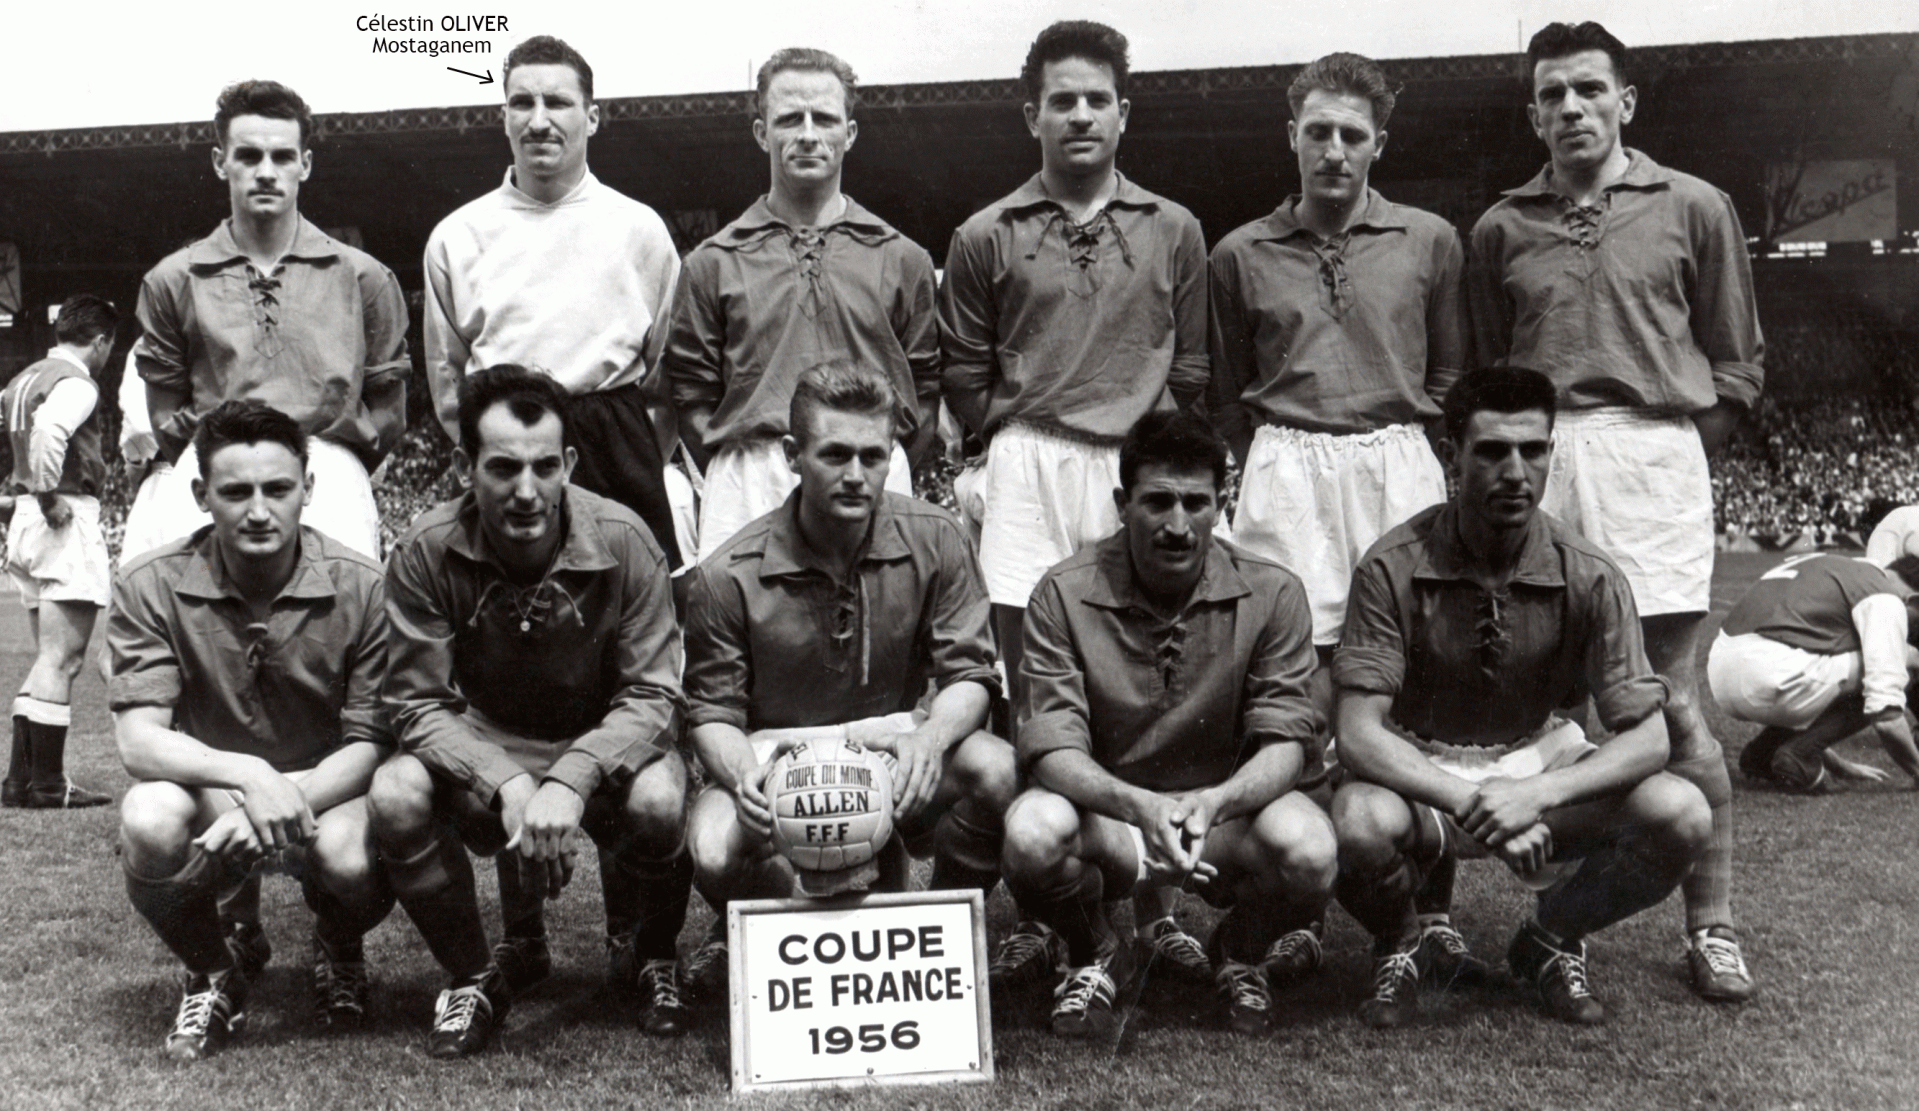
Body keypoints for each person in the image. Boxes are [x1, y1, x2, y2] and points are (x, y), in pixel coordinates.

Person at [1465, 21, 1763, 1004]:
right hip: (1540, 457)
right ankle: (1569, 923)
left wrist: (1665, 447)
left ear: (1623, 101)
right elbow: (1481, 371)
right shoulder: (1499, 226)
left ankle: (1711, 927)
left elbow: (1732, 365)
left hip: (1650, 450)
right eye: (1550, 95)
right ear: (1531, 113)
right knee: (1550, 698)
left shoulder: (1693, 204)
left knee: (1668, 704)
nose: (1569, 110)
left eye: (1588, 90)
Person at [1331, 366, 1711, 1028]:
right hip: (1421, 776)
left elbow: (1649, 737)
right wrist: (1475, 803)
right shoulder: (1390, 564)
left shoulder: (1588, 572)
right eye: (1491, 451)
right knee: (1356, 822)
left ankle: (1550, 935)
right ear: (1450, 454)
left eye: (1532, 450)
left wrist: (1535, 793)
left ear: (1549, 454)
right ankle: (1403, 940)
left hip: (1537, 760)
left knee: (1680, 813)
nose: (1515, 471)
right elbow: (1359, 731)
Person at [1207, 53, 1473, 974]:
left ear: (1377, 144)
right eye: (1315, 131)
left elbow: (1446, 371)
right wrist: (1287, 446)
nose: (1331, 149)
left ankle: (1428, 903)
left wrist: (1394, 429)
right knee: (1300, 685)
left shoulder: (1431, 238)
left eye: (1350, 135)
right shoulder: (1240, 251)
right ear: (1291, 135)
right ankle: (1307, 901)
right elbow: (1230, 383)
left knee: (1411, 677)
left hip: (1395, 458)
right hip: (1286, 463)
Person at [368, 365, 692, 1059]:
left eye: (545, 466)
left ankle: (651, 954)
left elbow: (653, 694)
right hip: (489, 741)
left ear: (569, 462)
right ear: (466, 465)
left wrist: (571, 777)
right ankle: (472, 975)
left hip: (599, 735)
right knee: (394, 791)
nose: (525, 490)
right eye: (503, 467)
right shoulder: (425, 548)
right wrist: (508, 781)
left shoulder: (626, 537)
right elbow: (415, 700)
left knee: (662, 796)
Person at [679, 363, 1016, 995]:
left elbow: (969, 673)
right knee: (715, 850)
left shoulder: (936, 538)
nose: (856, 475)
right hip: (776, 749)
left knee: (1000, 768)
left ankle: (939, 926)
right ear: (793, 455)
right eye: (835, 454)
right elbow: (712, 714)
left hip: (890, 739)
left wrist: (930, 738)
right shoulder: (728, 572)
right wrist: (741, 777)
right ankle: (768, 927)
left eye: (873, 455)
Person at [999, 410, 1334, 1037]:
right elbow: (1050, 746)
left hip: (1219, 818)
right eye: (1157, 502)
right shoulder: (1063, 591)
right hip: (1113, 817)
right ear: (1123, 504)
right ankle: (1095, 949)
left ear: (1221, 503)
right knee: (1032, 833)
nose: (1178, 526)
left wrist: (1215, 803)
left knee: (1311, 849)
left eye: (1195, 503)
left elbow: (1287, 743)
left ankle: (1238, 954)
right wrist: (1139, 807)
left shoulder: (1273, 592)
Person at [109, 400, 395, 1060]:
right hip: (217, 789)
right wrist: (250, 776)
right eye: (236, 491)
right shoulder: (148, 584)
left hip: (328, 790)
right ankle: (214, 970)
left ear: (308, 489)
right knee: (148, 816)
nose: (258, 510)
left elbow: (373, 741)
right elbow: (138, 740)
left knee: (351, 859)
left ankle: (339, 942)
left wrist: (287, 793)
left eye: (278, 488)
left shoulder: (364, 584)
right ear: (201, 494)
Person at [939, 19, 1209, 697]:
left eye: (1096, 99)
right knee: (1028, 667)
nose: (1080, 115)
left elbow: (1192, 365)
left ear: (1123, 112)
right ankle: (1036, 799)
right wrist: (1018, 434)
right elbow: (966, 373)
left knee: (1146, 654)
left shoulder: (1174, 227)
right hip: (1030, 462)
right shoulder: (982, 234)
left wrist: (1141, 436)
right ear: (1033, 116)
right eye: (1062, 101)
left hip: (1134, 458)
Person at [424, 35, 687, 574]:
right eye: (522, 103)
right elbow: (446, 376)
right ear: (503, 116)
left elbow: (666, 375)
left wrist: (631, 449)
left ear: (591, 117)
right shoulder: (456, 236)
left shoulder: (640, 229)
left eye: (557, 103)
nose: (538, 121)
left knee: (631, 626)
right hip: (507, 449)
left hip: (615, 448)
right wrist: (491, 453)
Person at [665, 48, 938, 564]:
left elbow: (924, 393)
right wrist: (749, 461)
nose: (808, 134)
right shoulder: (712, 261)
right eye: (790, 119)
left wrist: (874, 452)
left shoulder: (903, 257)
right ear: (761, 133)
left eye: (824, 119)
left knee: (877, 633)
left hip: (865, 466)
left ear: (849, 134)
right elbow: (692, 398)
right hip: (751, 473)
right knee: (744, 636)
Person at [128, 80, 408, 561]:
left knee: (335, 630)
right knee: (208, 632)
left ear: (306, 164)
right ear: (221, 162)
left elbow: (390, 414)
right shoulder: (172, 279)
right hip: (217, 470)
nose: (266, 172)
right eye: (248, 156)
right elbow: (165, 418)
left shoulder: (364, 277)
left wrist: (336, 462)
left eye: (281, 157)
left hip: (330, 480)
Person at [3, 294, 120, 809]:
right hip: (59, 513)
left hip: (25, 519)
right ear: (100, 341)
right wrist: (48, 494)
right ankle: (48, 784)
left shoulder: (22, 379)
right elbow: (50, 431)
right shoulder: (76, 382)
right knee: (63, 658)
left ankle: (19, 781)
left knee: (47, 659)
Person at [1711, 552, 1919, 792]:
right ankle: (1799, 757)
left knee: (1844, 665)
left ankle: (1763, 752)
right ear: (1914, 598)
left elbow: (1823, 685)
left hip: (1725, 677)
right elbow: (1886, 716)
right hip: (1774, 675)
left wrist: (1838, 765)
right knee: (1906, 660)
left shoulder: (1834, 565)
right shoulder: (1884, 596)